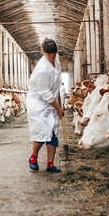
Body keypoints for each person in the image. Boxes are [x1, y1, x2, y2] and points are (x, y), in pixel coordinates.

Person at [26, 38, 63, 173]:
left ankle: (50, 164)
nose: (52, 56)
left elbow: (57, 84)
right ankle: (33, 158)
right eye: (49, 53)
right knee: (41, 132)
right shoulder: (42, 70)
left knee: (53, 133)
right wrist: (58, 107)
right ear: (43, 52)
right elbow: (44, 93)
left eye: (54, 53)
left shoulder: (56, 59)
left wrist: (59, 103)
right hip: (39, 103)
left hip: (51, 100)